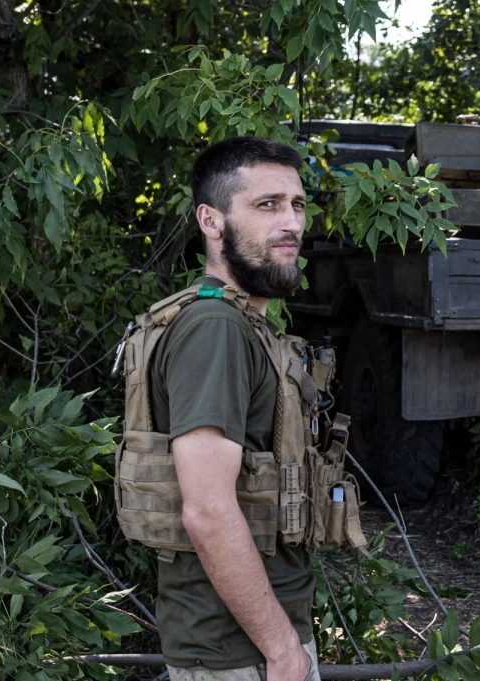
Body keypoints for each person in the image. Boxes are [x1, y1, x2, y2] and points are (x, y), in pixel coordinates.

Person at [150, 136, 315, 681]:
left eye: (297, 205)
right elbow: (208, 510)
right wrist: (283, 650)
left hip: (249, 646)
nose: (290, 222)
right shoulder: (215, 330)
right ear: (211, 221)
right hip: (237, 655)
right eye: (267, 205)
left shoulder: (243, 324)